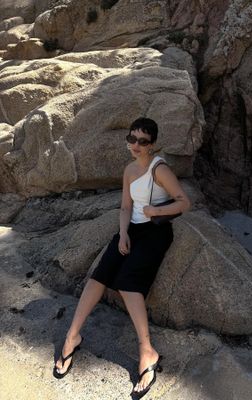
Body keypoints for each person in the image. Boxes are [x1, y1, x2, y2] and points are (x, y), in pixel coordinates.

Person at [53, 117, 191, 398]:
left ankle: (147, 351)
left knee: (128, 283)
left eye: (142, 141)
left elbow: (184, 202)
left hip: (155, 233)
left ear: (151, 144)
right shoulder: (129, 170)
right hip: (134, 232)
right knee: (99, 276)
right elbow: (126, 206)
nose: (136, 145)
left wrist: (156, 212)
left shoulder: (159, 169)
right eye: (132, 139)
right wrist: (124, 233)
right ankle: (72, 336)